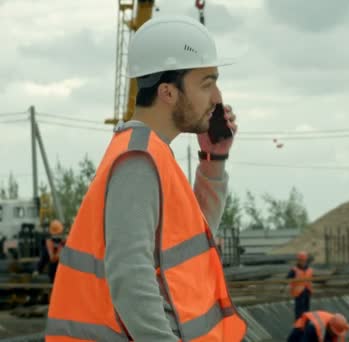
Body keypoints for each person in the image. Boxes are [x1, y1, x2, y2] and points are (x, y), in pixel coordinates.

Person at [45, 15, 246, 341]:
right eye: (206, 84)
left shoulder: (152, 154)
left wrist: (214, 160)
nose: (218, 98)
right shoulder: (138, 160)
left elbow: (191, 242)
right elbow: (131, 280)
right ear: (168, 92)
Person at [288, 251, 314, 320]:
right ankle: (299, 326)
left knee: (307, 311)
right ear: (298, 260)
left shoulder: (310, 270)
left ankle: (306, 324)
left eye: (304, 260)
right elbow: (287, 279)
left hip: (307, 292)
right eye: (301, 260)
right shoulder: (294, 270)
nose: (302, 262)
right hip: (298, 294)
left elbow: (312, 279)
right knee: (299, 312)